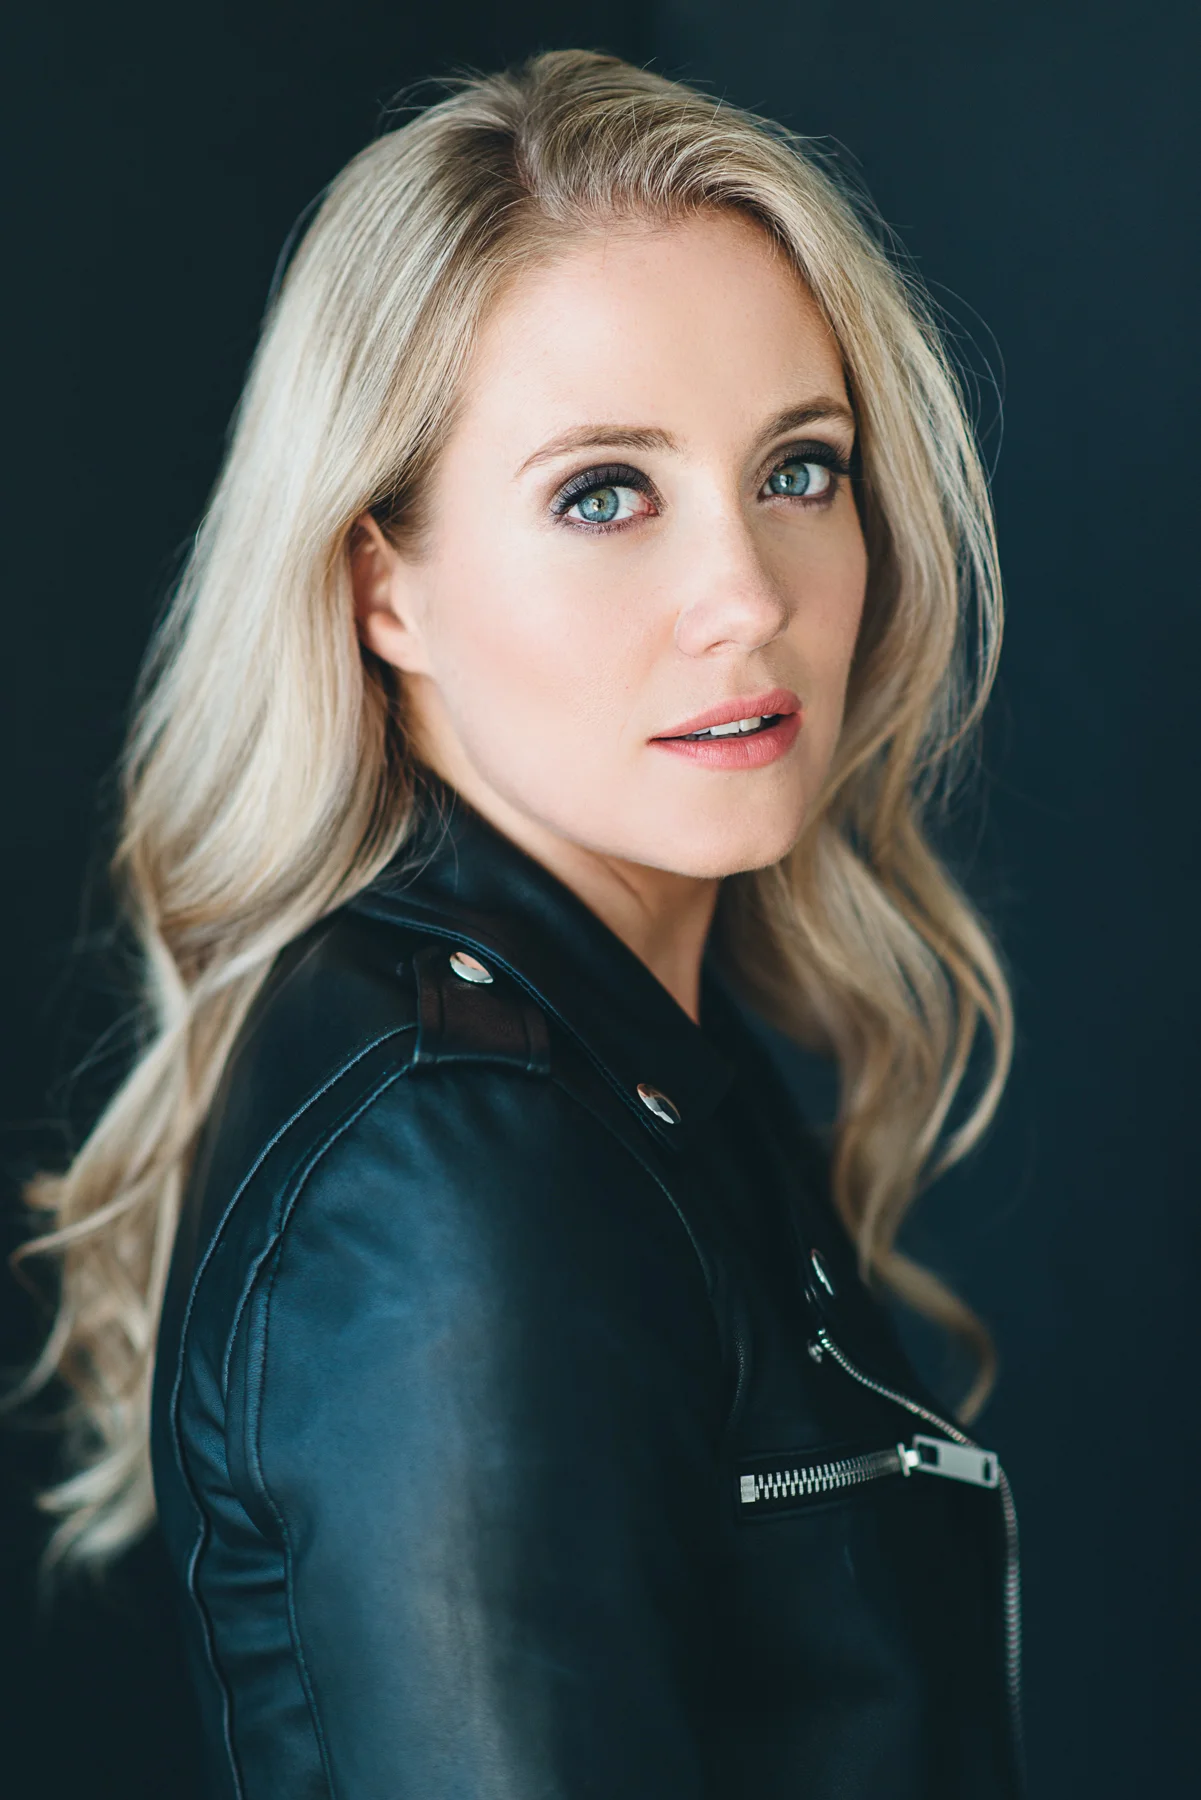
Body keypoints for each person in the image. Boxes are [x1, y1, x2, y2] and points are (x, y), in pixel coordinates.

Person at [16, 48, 1022, 1799]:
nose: (747, 598)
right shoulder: (452, 1174)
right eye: (604, 493)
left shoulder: (633, 1051)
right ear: (381, 586)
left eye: (799, 469)